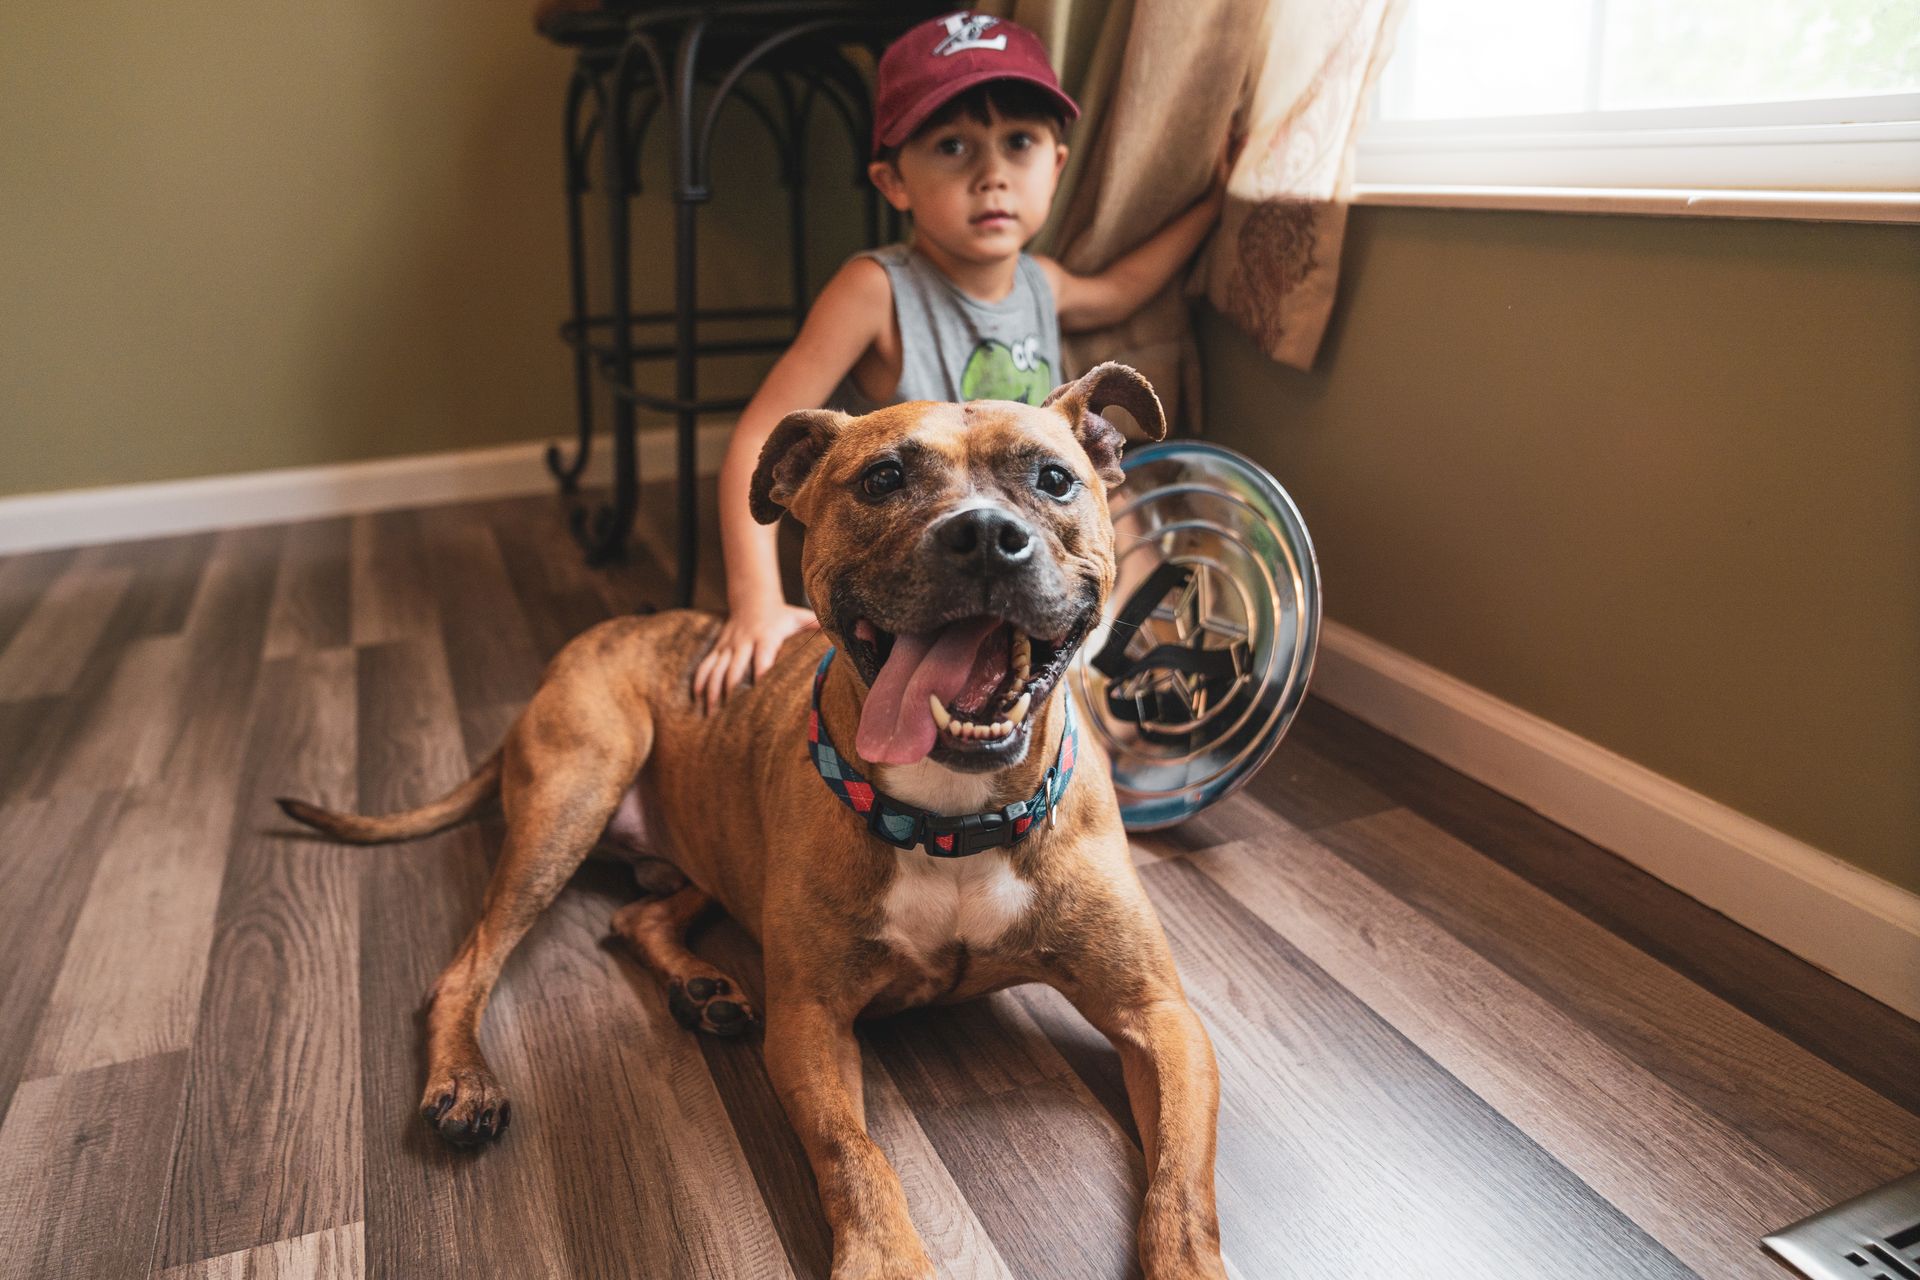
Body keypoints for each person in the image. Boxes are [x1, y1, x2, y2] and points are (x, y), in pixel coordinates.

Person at [694, 10, 1227, 711]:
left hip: (1019, 541)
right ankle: (1076, 703)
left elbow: (1126, 288)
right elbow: (760, 440)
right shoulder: (874, 289)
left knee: (1123, 522)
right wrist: (755, 604)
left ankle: (1126, 679)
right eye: (952, 146)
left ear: (1056, 165)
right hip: (921, 554)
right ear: (893, 182)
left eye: (1019, 142)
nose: (992, 174)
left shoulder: (1043, 280)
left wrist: (1215, 204)